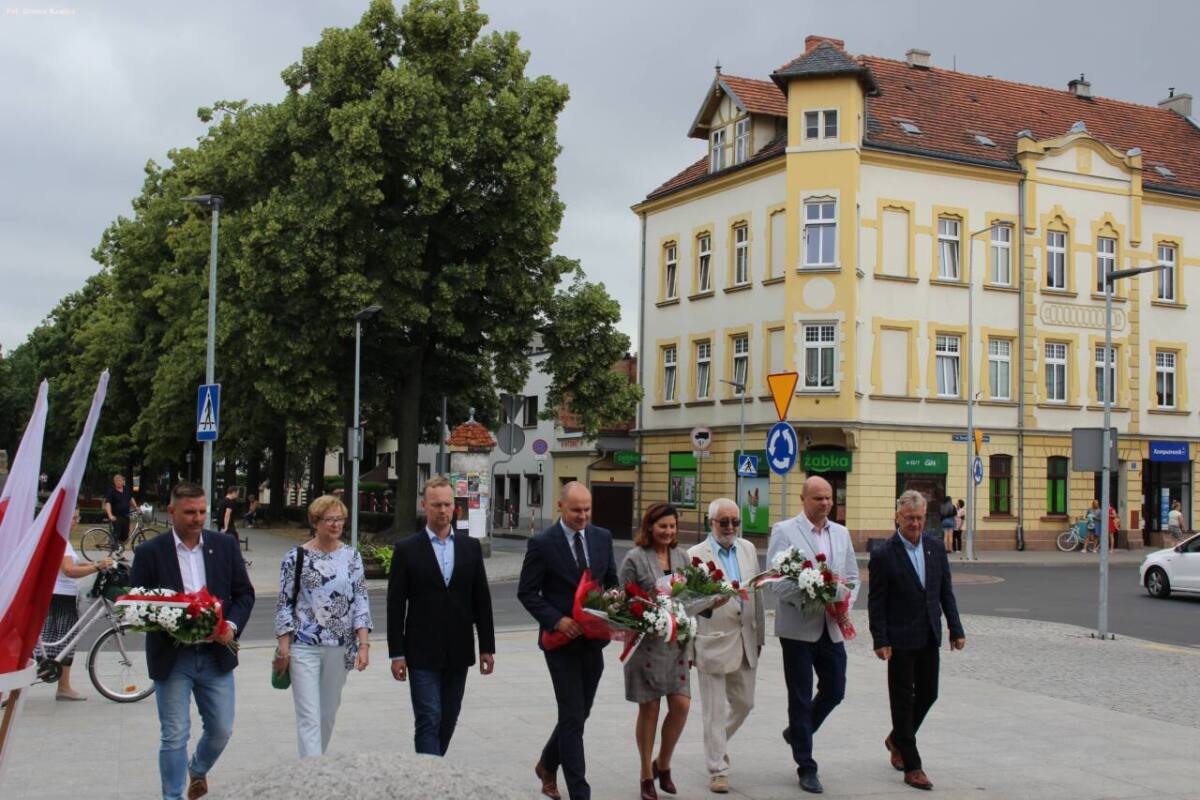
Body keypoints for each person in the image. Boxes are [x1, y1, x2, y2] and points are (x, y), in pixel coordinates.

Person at [130, 481, 254, 800]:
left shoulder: (224, 546)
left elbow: (244, 594)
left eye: (202, 512)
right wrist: (170, 621)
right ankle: (172, 796)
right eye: (189, 512)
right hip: (173, 659)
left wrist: (232, 625)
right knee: (174, 735)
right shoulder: (149, 553)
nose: (197, 519)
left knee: (221, 729)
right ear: (171, 511)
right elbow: (138, 604)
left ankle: (197, 769)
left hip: (216, 655)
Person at [517, 481, 618, 800]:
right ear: (560, 507)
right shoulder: (542, 543)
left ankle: (547, 762)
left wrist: (613, 608)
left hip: (593, 641)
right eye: (576, 510)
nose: (583, 516)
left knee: (579, 713)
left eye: (587, 509)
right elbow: (527, 592)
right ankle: (580, 792)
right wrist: (557, 619)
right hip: (560, 642)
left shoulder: (602, 537)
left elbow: (611, 582)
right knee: (573, 716)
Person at [387, 476, 495, 756]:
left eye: (447, 504)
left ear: (454, 507)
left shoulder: (470, 547)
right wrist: (396, 653)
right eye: (436, 505)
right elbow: (395, 605)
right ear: (424, 506)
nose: (443, 510)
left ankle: (432, 771)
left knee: (448, 718)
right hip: (421, 650)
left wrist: (487, 647)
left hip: (458, 649)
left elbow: (481, 599)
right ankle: (428, 783)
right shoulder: (407, 549)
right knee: (429, 718)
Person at [868, 490, 966, 791]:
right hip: (898, 639)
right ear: (898, 516)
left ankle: (897, 738)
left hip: (928, 634)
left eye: (920, 518)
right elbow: (877, 601)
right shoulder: (884, 553)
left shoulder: (935, 548)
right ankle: (912, 765)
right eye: (910, 518)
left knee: (929, 693)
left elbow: (945, 592)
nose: (915, 524)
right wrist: (880, 639)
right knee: (901, 699)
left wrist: (956, 628)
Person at [768, 475, 859, 794]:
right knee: (800, 695)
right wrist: (809, 591)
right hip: (797, 628)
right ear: (803, 499)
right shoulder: (785, 531)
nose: (825, 504)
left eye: (828, 498)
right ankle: (806, 765)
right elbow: (775, 581)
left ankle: (797, 732)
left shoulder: (841, 533)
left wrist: (844, 600)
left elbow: (852, 577)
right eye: (818, 498)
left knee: (835, 689)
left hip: (831, 624)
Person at [274, 495, 371, 758]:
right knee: (309, 716)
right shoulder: (297, 557)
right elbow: (284, 602)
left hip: (339, 647)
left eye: (339, 519)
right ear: (315, 522)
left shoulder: (351, 556)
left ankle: (316, 769)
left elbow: (361, 600)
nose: (335, 524)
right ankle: (312, 775)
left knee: (327, 715)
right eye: (329, 519)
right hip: (304, 645)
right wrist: (284, 646)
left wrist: (364, 644)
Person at [687, 498, 764, 795]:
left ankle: (715, 744)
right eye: (724, 522)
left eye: (735, 521)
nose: (730, 527)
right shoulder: (695, 555)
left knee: (745, 704)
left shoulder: (746, 548)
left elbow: (756, 595)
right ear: (711, 523)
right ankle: (717, 768)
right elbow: (689, 604)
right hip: (712, 641)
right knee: (714, 712)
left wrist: (759, 637)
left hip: (745, 638)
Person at [620, 503, 692, 800]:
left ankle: (663, 762)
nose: (668, 531)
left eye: (672, 526)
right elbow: (621, 601)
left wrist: (711, 602)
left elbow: (691, 596)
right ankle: (646, 775)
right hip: (645, 644)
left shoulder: (682, 556)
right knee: (649, 708)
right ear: (650, 527)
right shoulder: (634, 558)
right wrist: (644, 608)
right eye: (662, 526)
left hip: (676, 644)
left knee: (681, 705)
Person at [39, 509, 113, 700]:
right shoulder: (61, 542)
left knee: (64, 641)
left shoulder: (61, 540)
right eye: (73, 517)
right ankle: (61, 687)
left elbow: (73, 566)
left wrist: (96, 563)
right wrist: (96, 567)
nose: (76, 521)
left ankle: (63, 687)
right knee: (63, 641)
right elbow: (69, 571)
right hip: (60, 598)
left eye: (77, 517)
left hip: (59, 595)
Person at [104, 473, 135, 543]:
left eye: (120, 480)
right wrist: (110, 515)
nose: (118, 482)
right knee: (116, 534)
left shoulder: (126, 489)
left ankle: (120, 548)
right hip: (116, 516)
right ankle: (114, 547)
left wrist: (136, 507)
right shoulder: (111, 491)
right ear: (114, 482)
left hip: (126, 516)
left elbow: (131, 499)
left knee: (125, 535)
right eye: (116, 481)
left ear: (123, 481)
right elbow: (107, 503)